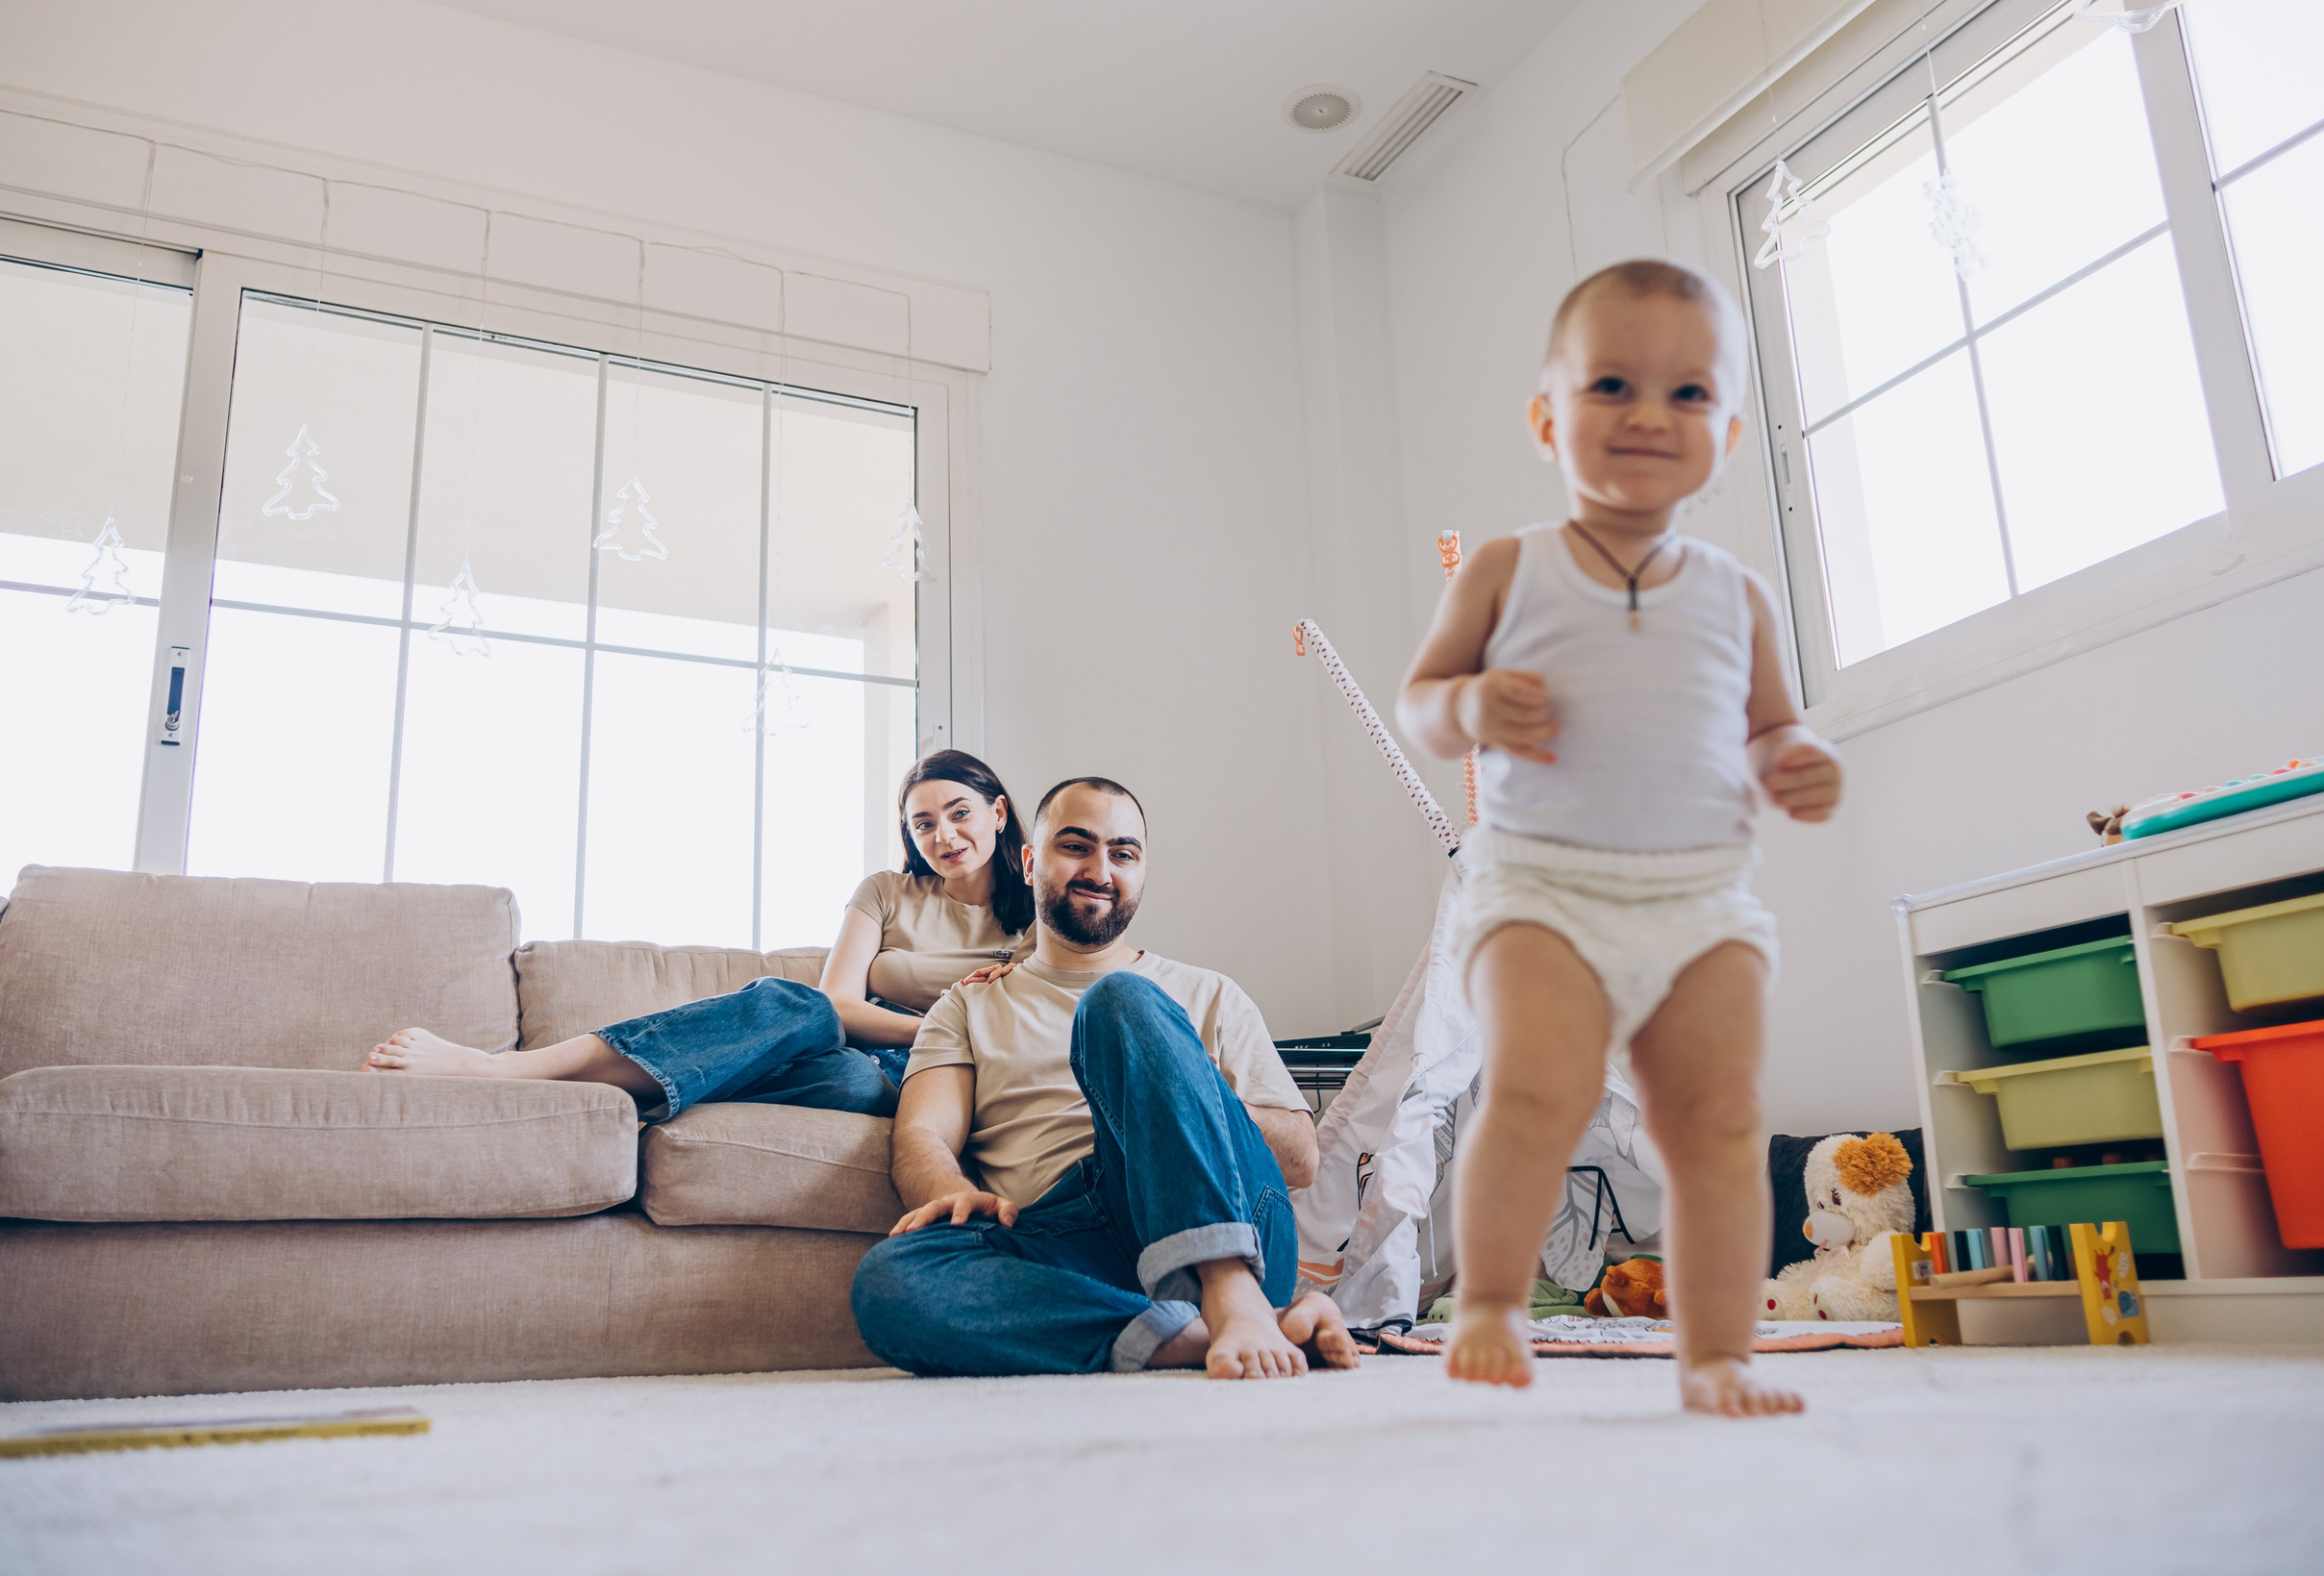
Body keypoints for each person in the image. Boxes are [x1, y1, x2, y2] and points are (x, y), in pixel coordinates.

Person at [1395, 259, 1844, 1415]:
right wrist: (1470, 707)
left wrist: (1790, 760)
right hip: (1542, 886)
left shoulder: (1737, 593)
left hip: (1699, 898)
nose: (1650, 413)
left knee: (1719, 1118)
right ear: (1549, 419)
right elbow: (1424, 695)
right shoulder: (1510, 567)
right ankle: (1492, 1299)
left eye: (1687, 393)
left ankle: (1714, 1350)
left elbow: (1769, 723)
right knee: (1537, 1090)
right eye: (1611, 385)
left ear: (1729, 431)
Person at [849, 777, 1361, 1380]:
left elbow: (1299, 1159)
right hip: (1066, 1239)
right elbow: (920, 1137)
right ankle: (1192, 1335)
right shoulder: (966, 1005)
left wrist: (1175, 1095)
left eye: (1123, 854)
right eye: (1076, 847)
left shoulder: (1209, 993)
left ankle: (1228, 1286)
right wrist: (945, 1188)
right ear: (1029, 860)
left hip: (1238, 1226)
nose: (1100, 870)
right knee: (890, 1281)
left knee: (1121, 1002)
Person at [363, 749, 1035, 1123]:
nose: (942, 835)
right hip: (835, 1032)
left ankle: (609, 1085)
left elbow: (1022, 1025)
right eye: (922, 823)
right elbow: (838, 1004)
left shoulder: (1037, 917)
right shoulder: (886, 891)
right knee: (796, 1004)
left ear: (998, 812)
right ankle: (506, 1068)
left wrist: (932, 1037)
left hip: (926, 1074)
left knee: (856, 1085)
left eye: (959, 814)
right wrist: (933, 1022)